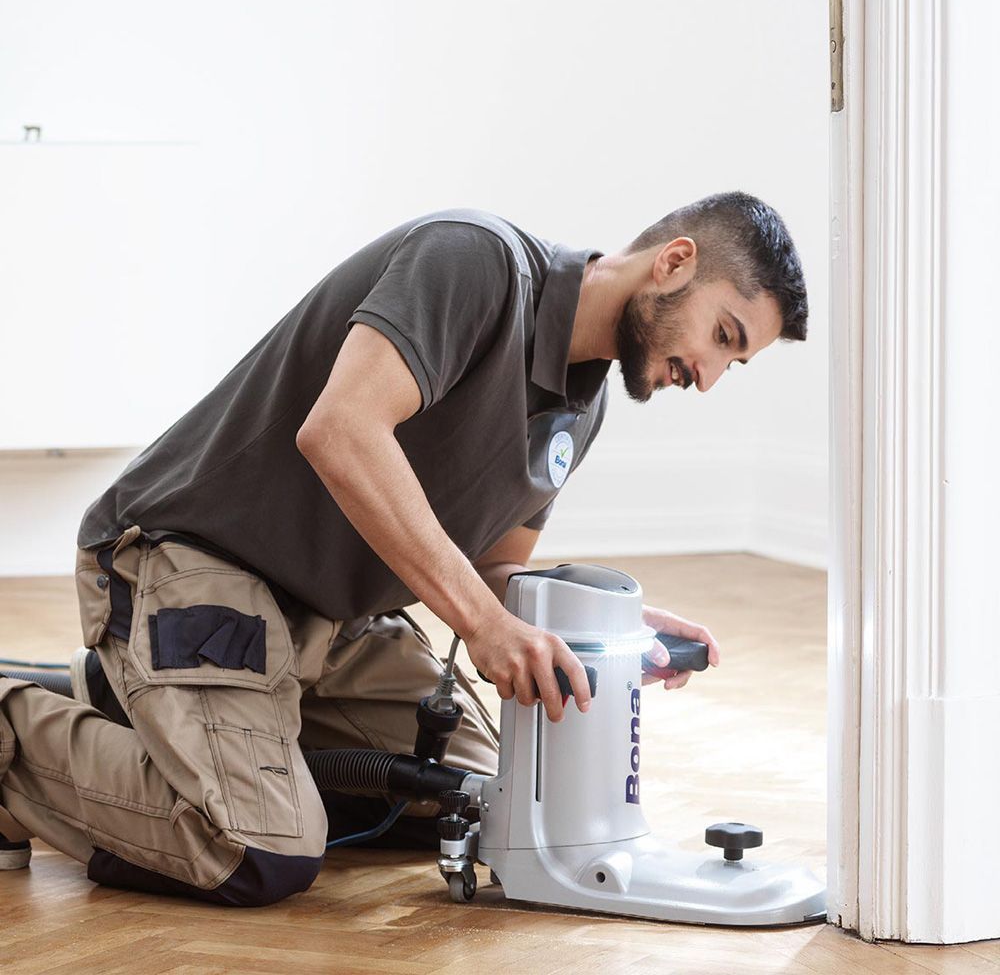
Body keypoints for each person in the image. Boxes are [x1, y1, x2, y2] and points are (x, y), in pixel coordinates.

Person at [0, 193, 808, 902]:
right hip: (192, 561)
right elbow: (342, 431)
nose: (706, 376)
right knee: (258, 848)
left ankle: (123, 696)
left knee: (475, 798)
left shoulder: (581, 408)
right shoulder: (474, 261)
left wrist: (612, 629)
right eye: (722, 335)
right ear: (674, 263)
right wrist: (485, 632)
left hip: (329, 622)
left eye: (732, 365)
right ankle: (15, 730)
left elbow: (498, 568)